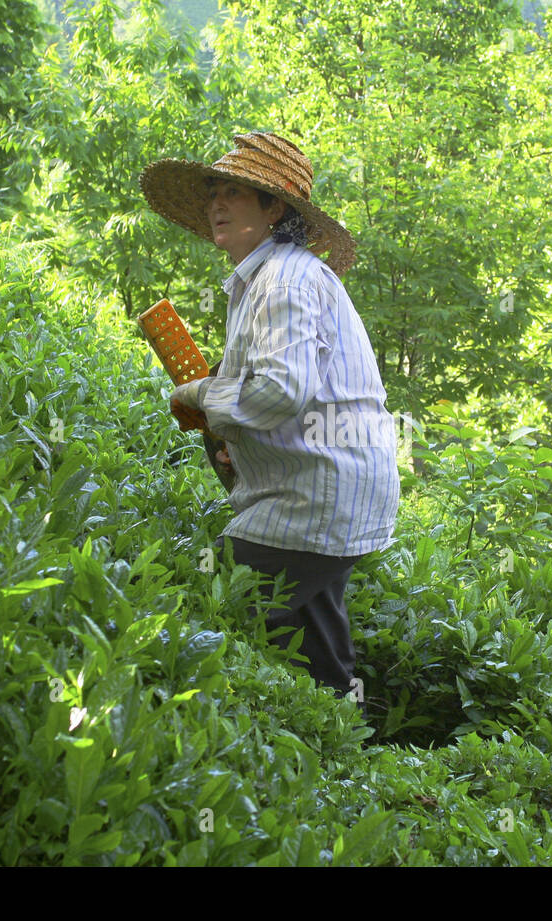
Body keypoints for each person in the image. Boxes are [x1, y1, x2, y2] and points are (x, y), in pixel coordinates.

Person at [138, 131, 399, 700]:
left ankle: (239, 739)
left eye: (235, 192)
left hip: (313, 498)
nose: (217, 205)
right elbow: (280, 399)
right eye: (213, 192)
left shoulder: (282, 279)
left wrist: (202, 395)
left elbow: (281, 392)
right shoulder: (274, 277)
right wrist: (233, 434)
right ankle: (345, 759)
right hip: (329, 489)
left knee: (226, 603)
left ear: (274, 208)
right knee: (312, 645)